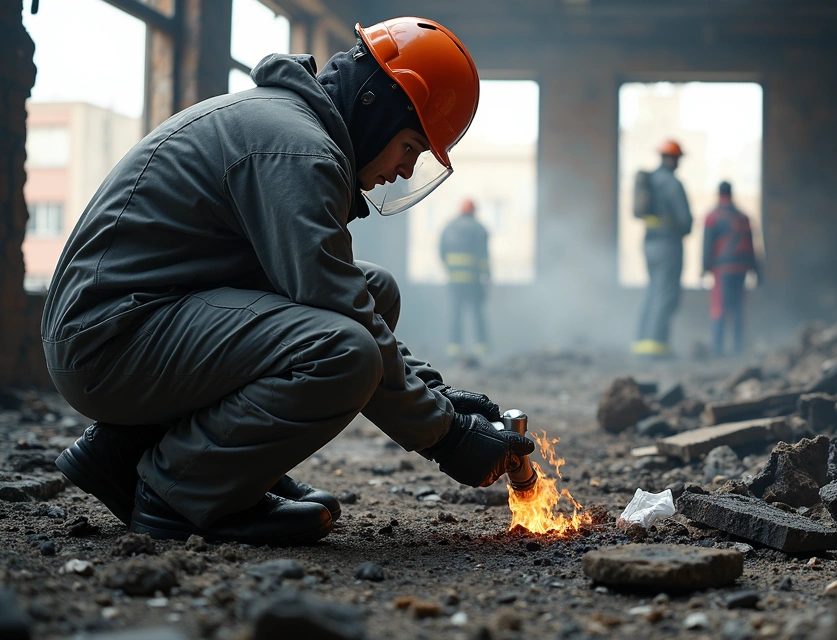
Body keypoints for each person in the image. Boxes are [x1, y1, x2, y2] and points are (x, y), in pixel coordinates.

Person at [44, 17, 534, 545]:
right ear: (377, 108)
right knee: (344, 353)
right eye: (411, 147)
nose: (403, 171)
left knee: (375, 290)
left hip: (134, 322)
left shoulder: (287, 126)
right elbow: (343, 314)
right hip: (107, 341)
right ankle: (179, 493)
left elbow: (349, 296)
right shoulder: (299, 151)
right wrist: (447, 435)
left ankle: (122, 453)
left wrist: (440, 400)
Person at [633, 139, 693, 358]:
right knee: (665, 293)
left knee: (653, 290)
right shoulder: (672, 183)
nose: (678, 163)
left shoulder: (651, 180)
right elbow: (685, 220)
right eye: (677, 159)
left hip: (650, 242)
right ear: (673, 158)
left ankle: (641, 341)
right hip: (668, 243)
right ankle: (656, 346)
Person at [702, 181, 760, 356]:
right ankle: (737, 347)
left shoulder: (712, 217)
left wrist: (704, 266)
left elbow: (707, 244)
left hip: (722, 269)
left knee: (720, 307)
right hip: (741, 268)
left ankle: (718, 349)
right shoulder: (743, 217)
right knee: (737, 307)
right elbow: (752, 245)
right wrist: (757, 270)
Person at [441, 198, 490, 358]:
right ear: (474, 211)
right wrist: (487, 275)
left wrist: (449, 269)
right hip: (473, 280)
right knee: (477, 313)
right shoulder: (479, 228)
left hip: (454, 280)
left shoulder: (449, 228)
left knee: (456, 313)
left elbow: (441, 252)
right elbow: (484, 255)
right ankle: (481, 347)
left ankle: (454, 348)